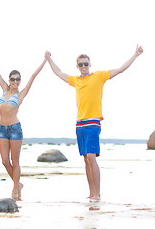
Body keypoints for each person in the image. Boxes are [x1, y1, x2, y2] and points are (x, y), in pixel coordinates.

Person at [45, 45, 144, 201]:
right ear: (77, 66)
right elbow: (58, 73)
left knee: (91, 157)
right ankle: (91, 194)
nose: (83, 66)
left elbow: (119, 70)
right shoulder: (75, 81)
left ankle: (97, 194)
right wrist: (49, 59)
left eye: (86, 64)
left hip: (93, 123)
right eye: (80, 64)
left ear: (90, 65)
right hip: (80, 124)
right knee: (85, 159)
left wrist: (135, 55)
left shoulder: (98, 76)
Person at [0, 43, 48, 200]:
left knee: (15, 160)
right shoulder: (4, 89)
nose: (15, 81)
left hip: (15, 129)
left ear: (20, 81)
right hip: (2, 129)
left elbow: (33, 75)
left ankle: (15, 190)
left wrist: (45, 60)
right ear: (9, 80)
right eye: (13, 79)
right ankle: (18, 183)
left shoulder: (21, 94)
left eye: (18, 79)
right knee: (5, 161)